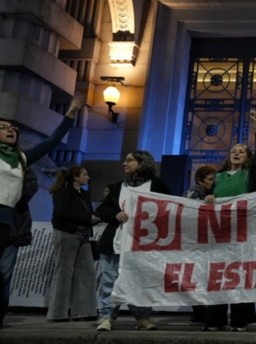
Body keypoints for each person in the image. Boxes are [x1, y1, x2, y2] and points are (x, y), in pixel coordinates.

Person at [1, 94, 85, 329]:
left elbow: (51, 141)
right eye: (3, 128)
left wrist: (71, 112)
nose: (10, 130)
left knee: (4, 272)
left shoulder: (21, 159)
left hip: (9, 221)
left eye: (13, 128)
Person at [203, 108, 256, 332]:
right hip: (219, 232)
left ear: (247, 158)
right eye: (233, 150)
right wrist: (209, 199)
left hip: (242, 232)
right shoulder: (217, 178)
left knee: (240, 274)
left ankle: (240, 320)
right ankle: (215, 319)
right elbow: (206, 202)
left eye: (242, 151)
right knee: (218, 274)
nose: (237, 152)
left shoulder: (249, 176)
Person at [94, 150, 171, 331]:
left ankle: (142, 317)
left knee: (140, 283)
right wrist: (115, 213)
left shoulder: (157, 185)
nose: (124, 163)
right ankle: (106, 317)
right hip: (115, 244)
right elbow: (102, 210)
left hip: (142, 246)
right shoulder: (118, 187)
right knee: (109, 282)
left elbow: (171, 209)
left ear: (142, 163)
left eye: (129, 160)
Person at [46, 166, 99, 322]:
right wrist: (87, 218)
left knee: (87, 273)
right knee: (63, 273)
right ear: (76, 177)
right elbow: (62, 212)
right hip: (67, 234)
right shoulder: (63, 192)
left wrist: (93, 219)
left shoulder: (84, 194)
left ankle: (84, 311)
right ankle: (57, 313)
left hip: (83, 236)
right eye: (85, 174)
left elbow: (87, 214)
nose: (88, 177)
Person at [183, 165, 216, 324]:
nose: (213, 182)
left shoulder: (203, 192)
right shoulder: (196, 192)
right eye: (210, 179)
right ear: (200, 180)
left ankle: (199, 312)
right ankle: (199, 312)